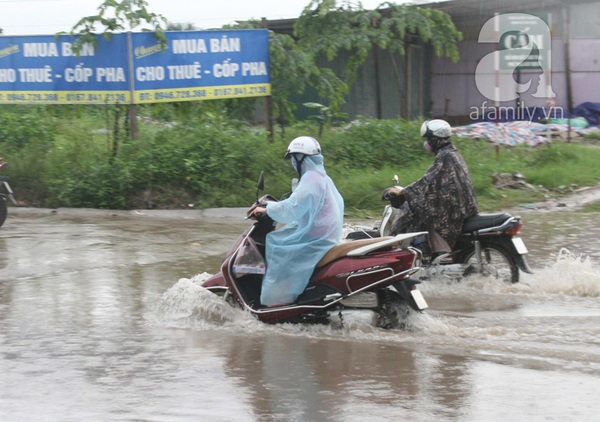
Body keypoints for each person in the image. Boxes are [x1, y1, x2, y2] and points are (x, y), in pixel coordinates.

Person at [249, 136, 344, 307]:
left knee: (275, 244)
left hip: (316, 238)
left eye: (293, 158)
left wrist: (267, 209)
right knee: (280, 237)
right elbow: (299, 204)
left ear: (301, 158)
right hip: (323, 234)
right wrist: (275, 206)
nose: (292, 162)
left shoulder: (311, 179)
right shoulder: (322, 178)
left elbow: (292, 208)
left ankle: (276, 302)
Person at [385, 119, 478, 260]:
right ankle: (426, 249)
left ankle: (421, 251)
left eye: (428, 139)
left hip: (454, 211)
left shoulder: (445, 156)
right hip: (461, 207)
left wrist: (402, 192)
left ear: (435, 140)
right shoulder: (452, 153)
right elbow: (434, 181)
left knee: (416, 212)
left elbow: (426, 180)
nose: (427, 143)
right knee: (422, 206)